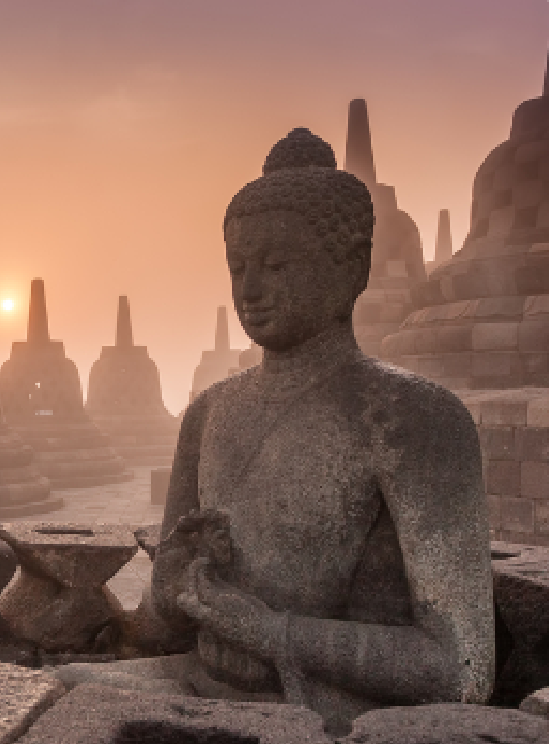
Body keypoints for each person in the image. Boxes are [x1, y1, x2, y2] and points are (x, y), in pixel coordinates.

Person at [58, 129, 494, 734]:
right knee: (58, 697)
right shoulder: (209, 412)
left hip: (325, 709)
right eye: (237, 266)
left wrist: (269, 632)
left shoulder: (411, 418)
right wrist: (165, 586)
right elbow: (163, 622)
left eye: (278, 265)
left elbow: (462, 668)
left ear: (353, 267)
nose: (250, 290)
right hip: (200, 684)